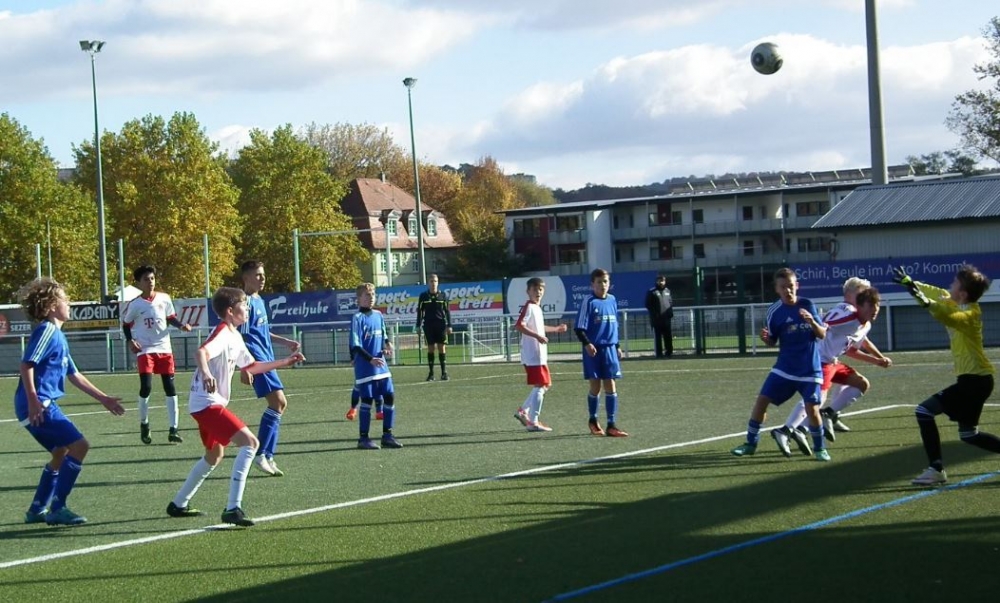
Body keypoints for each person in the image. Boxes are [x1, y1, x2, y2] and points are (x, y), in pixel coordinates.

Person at [167, 287, 305, 526]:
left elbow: (251, 367)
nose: (248, 308)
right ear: (230, 311)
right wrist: (207, 372)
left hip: (204, 404)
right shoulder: (222, 332)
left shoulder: (235, 336)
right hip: (206, 404)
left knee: (214, 455)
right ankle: (233, 508)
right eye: (244, 305)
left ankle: (178, 503)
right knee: (250, 443)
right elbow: (202, 351)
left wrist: (286, 361)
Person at [14, 277, 126, 526]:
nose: (69, 304)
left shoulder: (58, 336)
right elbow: (26, 364)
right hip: (39, 404)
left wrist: (103, 398)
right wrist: (34, 399)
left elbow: (73, 374)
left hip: (35, 403)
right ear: (52, 306)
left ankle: (37, 508)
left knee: (60, 452)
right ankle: (58, 508)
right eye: (65, 299)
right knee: (80, 446)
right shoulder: (47, 331)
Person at [893, 264, 1000, 486]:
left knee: (924, 411)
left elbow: (949, 316)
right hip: (977, 380)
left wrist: (926, 303)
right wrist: (911, 283)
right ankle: (936, 468)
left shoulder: (970, 313)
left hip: (975, 381)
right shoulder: (953, 300)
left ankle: (936, 469)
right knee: (969, 435)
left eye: (954, 283)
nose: (950, 286)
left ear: (963, 293)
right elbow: (935, 293)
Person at [772, 283, 890, 457]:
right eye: (871, 305)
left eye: (877, 306)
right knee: (816, 398)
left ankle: (827, 415)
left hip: (832, 361)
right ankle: (787, 430)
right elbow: (825, 323)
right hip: (818, 359)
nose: (875, 310)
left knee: (860, 383)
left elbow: (853, 348)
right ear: (859, 303)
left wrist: (878, 359)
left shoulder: (865, 324)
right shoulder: (848, 315)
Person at [731, 267, 830, 461]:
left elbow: (822, 334)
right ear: (777, 289)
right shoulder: (774, 311)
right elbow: (772, 341)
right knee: (761, 401)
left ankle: (820, 448)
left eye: (791, 286)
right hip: (784, 368)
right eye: (783, 287)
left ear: (797, 286)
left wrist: (811, 321)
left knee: (812, 408)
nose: (788, 290)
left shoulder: (807, 304)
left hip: (809, 369)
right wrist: (765, 338)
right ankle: (750, 443)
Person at [239, 260, 301, 477]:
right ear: (246, 278)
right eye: (257, 275)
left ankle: (267, 455)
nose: (262, 278)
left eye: (263, 274)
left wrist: (285, 342)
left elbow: (262, 332)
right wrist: (247, 365)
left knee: (280, 404)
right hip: (258, 361)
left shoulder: (259, 301)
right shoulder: (244, 302)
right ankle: (261, 454)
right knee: (279, 402)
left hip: (267, 358)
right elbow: (243, 337)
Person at [121, 265, 193, 445]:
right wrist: (130, 341)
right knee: (146, 387)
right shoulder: (136, 304)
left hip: (164, 348)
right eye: (146, 279)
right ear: (139, 283)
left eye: (152, 278)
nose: (150, 282)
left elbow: (170, 318)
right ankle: (144, 424)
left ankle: (173, 429)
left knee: (170, 387)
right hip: (145, 350)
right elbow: (126, 324)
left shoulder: (164, 298)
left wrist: (181, 325)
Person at [575, 268, 629, 437]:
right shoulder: (589, 301)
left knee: (611, 385)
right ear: (592, 284)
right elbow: (579, 328)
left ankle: (611, 424)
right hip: (594, 349)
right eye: (599, 282)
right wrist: (587, 344)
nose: (602, 285)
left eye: (605, 281)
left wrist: (617, 345)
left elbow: (614, 325)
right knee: (595, 386)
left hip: (610, 349)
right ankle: (593, 420)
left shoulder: (612, 300)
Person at [513, 277, 568, 432]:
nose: (538, 292)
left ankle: (523, 411)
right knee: (541, 385)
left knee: (546, 384)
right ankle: (533, 421)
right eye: (535, 289)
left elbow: (538, 327)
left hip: (538, 353)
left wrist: (556, 329)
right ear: (528, 291)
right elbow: (519, 325)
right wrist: (537, 337)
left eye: (541, 289)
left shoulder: (536, 308)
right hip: (532, 354)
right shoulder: (529, 306)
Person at [352, 282, 403, 450]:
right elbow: (356, 345)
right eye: (367, 295)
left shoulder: (378, 315)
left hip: (381, 366)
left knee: (389, 396)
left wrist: (387, 345)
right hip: (365, 368)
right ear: (359, 299)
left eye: (373, 294)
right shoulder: (357, 318)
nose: (371, 297)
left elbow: (383, 334)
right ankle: (363, 439)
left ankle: (387, 435)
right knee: (366, 400)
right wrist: (370, 359)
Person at [416, 273, 452, 381]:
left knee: (442, 348)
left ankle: (444, 373)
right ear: (428, 283)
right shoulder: (423, 296)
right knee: (431, 348)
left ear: (438, 282)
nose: (433, 283)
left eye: (435, 281)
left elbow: (447, 311)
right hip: (428, 325)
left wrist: (449, 325)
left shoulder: (443, 295)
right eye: (431, 281)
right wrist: (418, 325)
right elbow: (420, 312)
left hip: (441, 325)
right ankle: (431, 374)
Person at [644, 275, 674, 358]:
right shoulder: (652, 292)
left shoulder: (667, 291)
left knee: (668, 336)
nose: (661, 282)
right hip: (656, 320)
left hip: (666, 319)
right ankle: (659, 354)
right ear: (656, 281)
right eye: (659, 281)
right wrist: (655, 314)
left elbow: (670, 302)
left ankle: (669, 352)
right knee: (658, 338)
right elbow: (648, 304)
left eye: (663, 281)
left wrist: (670, 313)